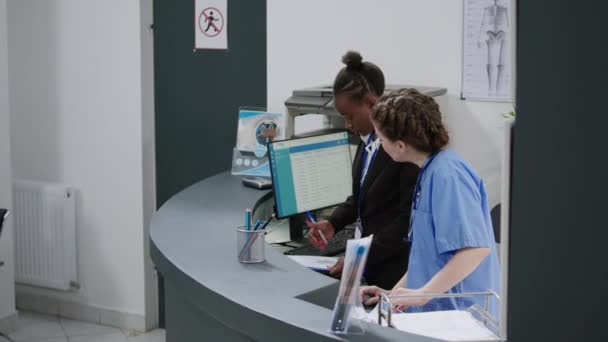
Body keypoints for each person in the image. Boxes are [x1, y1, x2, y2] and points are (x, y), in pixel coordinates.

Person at [361, 88, 500, 316]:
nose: (379, 144)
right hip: (439, 312)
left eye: (381, 138)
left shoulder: (447, 175)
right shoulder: (430, 171)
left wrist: (423, 293)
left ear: (400, 145)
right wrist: (392, 294)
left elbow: (474, 249)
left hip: (461, 315)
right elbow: (427, 258)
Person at [306, 51, 420, 289]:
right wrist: (333, 223)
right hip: (367, 262)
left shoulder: (402, 150)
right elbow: (361, 197)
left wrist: (361, 255)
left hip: (392, 273)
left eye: (349, 116)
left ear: (371, 103)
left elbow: (405, 221)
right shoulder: (366, 140)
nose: (347, 124)